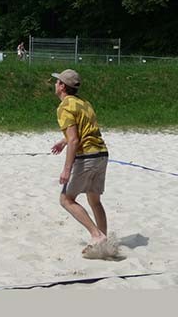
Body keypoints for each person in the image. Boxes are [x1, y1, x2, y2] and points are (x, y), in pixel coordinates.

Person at [50, 69, 109, 255]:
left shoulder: (65, 106)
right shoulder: (84, 103)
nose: (55, 84)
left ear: (62, 86)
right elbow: (84, 130)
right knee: (94, 200)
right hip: (102, 153)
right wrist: (63, 141)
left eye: (57, 81)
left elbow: (75, 139)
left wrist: (66, 169)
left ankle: (96, 236)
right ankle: (103, 240)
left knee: (66, 199)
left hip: (87, 157)